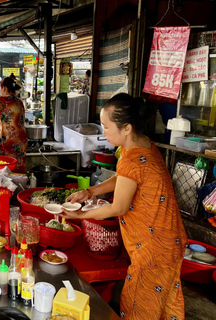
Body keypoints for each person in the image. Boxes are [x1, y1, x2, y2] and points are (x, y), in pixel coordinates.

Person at [61, 93, 187, 320]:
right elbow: (123, 178)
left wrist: (79, 215)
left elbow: (117, 208)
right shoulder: (142, 146)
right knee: (162, 302)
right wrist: (89, 192)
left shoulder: (131, 157)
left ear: (126, 128)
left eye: (106, 127)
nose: (103, 132)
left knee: (140, 305)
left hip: (153, 248)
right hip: (168, 240)